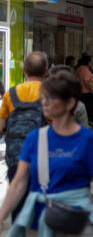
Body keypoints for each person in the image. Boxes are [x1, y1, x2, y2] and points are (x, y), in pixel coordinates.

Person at [0, 70, 93, 237]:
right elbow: (19, 182)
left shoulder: (87, 139)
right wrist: (2, 216)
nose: (43, 102)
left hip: (78, 221)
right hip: (37, 222)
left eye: (50, 97)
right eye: (43, 97)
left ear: (70, 102)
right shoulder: (34, 138)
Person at [0, 52, 48, 221]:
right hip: (41, 157)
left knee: (17, 200)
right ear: (46, 70)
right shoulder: (49, 94)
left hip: (15, 156)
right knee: (40, 202)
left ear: (24, 69)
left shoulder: (10, 94)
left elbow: (2, 126)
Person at [76, 55, 93, 120]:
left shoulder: (79, 68)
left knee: (84, 108)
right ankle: (84, 123)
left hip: (82, 91)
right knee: (86, 108)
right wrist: (91, 90)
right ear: (88, 62)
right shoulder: (84, 69)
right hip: (86, 92)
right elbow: (86, 81)